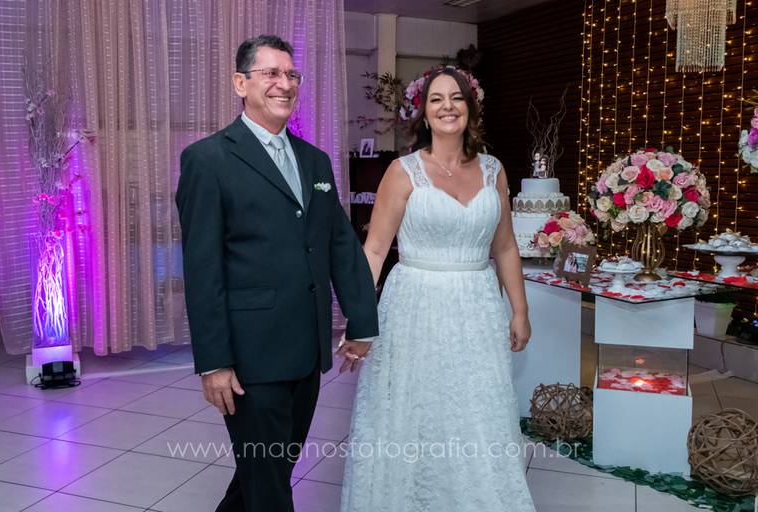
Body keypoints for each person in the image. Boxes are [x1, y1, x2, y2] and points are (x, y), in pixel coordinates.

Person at [175, 35, 378, 512]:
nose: (284, 84)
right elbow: (203, 269)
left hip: (305, 352)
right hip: (250, 356)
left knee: (268, 471)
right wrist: (214, 362)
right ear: (240, 83)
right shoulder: (208, 160)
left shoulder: (315, 161)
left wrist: (362, 322)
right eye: (270, 73)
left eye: (291, 74)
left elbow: (340, 244)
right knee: (268, 484)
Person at [339, 67, 536, 511]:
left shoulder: (494, 171)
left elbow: (505, 246)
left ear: (470, 108)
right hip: (415, 308)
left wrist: (520, 310)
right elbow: (375, 250)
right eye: (436, 99)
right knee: (415, 411)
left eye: (456, 98)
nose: (448, 107)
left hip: (477, 307)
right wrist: (359, 319)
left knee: (475, 410)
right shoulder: (402, 171)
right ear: (424, 114)